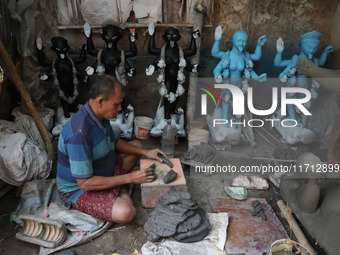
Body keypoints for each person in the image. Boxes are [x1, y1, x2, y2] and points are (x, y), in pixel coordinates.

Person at [57, 75, 165, 223]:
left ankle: (118, 187)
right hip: (79, 190)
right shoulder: (79, 134)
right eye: (116, 104)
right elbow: (85, 183)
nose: (120, 108)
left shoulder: (100, 116)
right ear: (101, 101)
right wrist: (130, 178)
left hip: (101, 168)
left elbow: (114, 142)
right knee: (126, 212)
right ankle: (122, 189)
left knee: (137, 147)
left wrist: (147, 152)